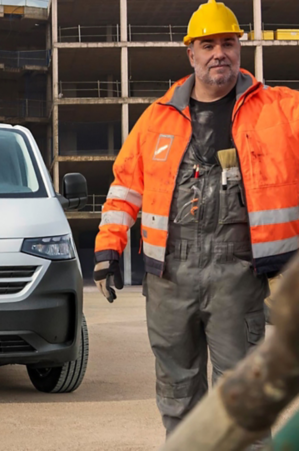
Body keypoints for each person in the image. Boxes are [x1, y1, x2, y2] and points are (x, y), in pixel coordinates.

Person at [92, 0, 299, 441]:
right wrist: (109, 246)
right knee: (177, 394)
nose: (218, 53)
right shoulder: (156, 118)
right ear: (191, 53)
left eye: (228, 42)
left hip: (239, 274)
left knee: (241, 401)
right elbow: (125, 186)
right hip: (170, 277)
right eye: (208, 44)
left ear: (240, 49)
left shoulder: (280, 111)